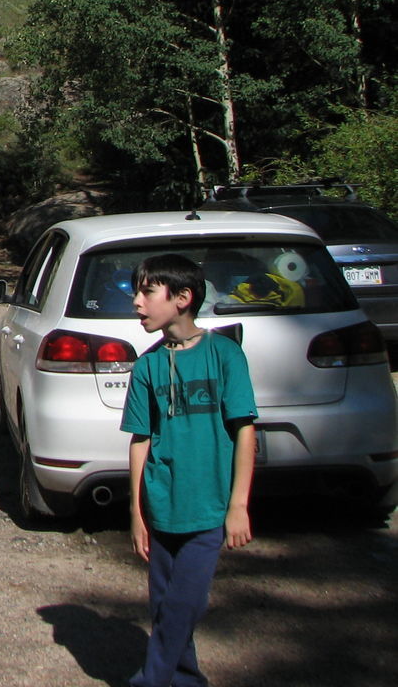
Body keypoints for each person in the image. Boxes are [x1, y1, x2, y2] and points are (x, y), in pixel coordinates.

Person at [120, 253, 257, 687]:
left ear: (182, 298)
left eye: (146, 292)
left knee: (184, 604)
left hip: (209, 507)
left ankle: (152, 680)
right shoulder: (147, 366)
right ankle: (186, 680)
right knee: (164, 605)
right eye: (137, 292)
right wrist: (137, 514)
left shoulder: (225, 355)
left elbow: (245, 432)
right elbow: (140, 441)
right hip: (162, 508)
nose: (137, 302)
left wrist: (238, 505)